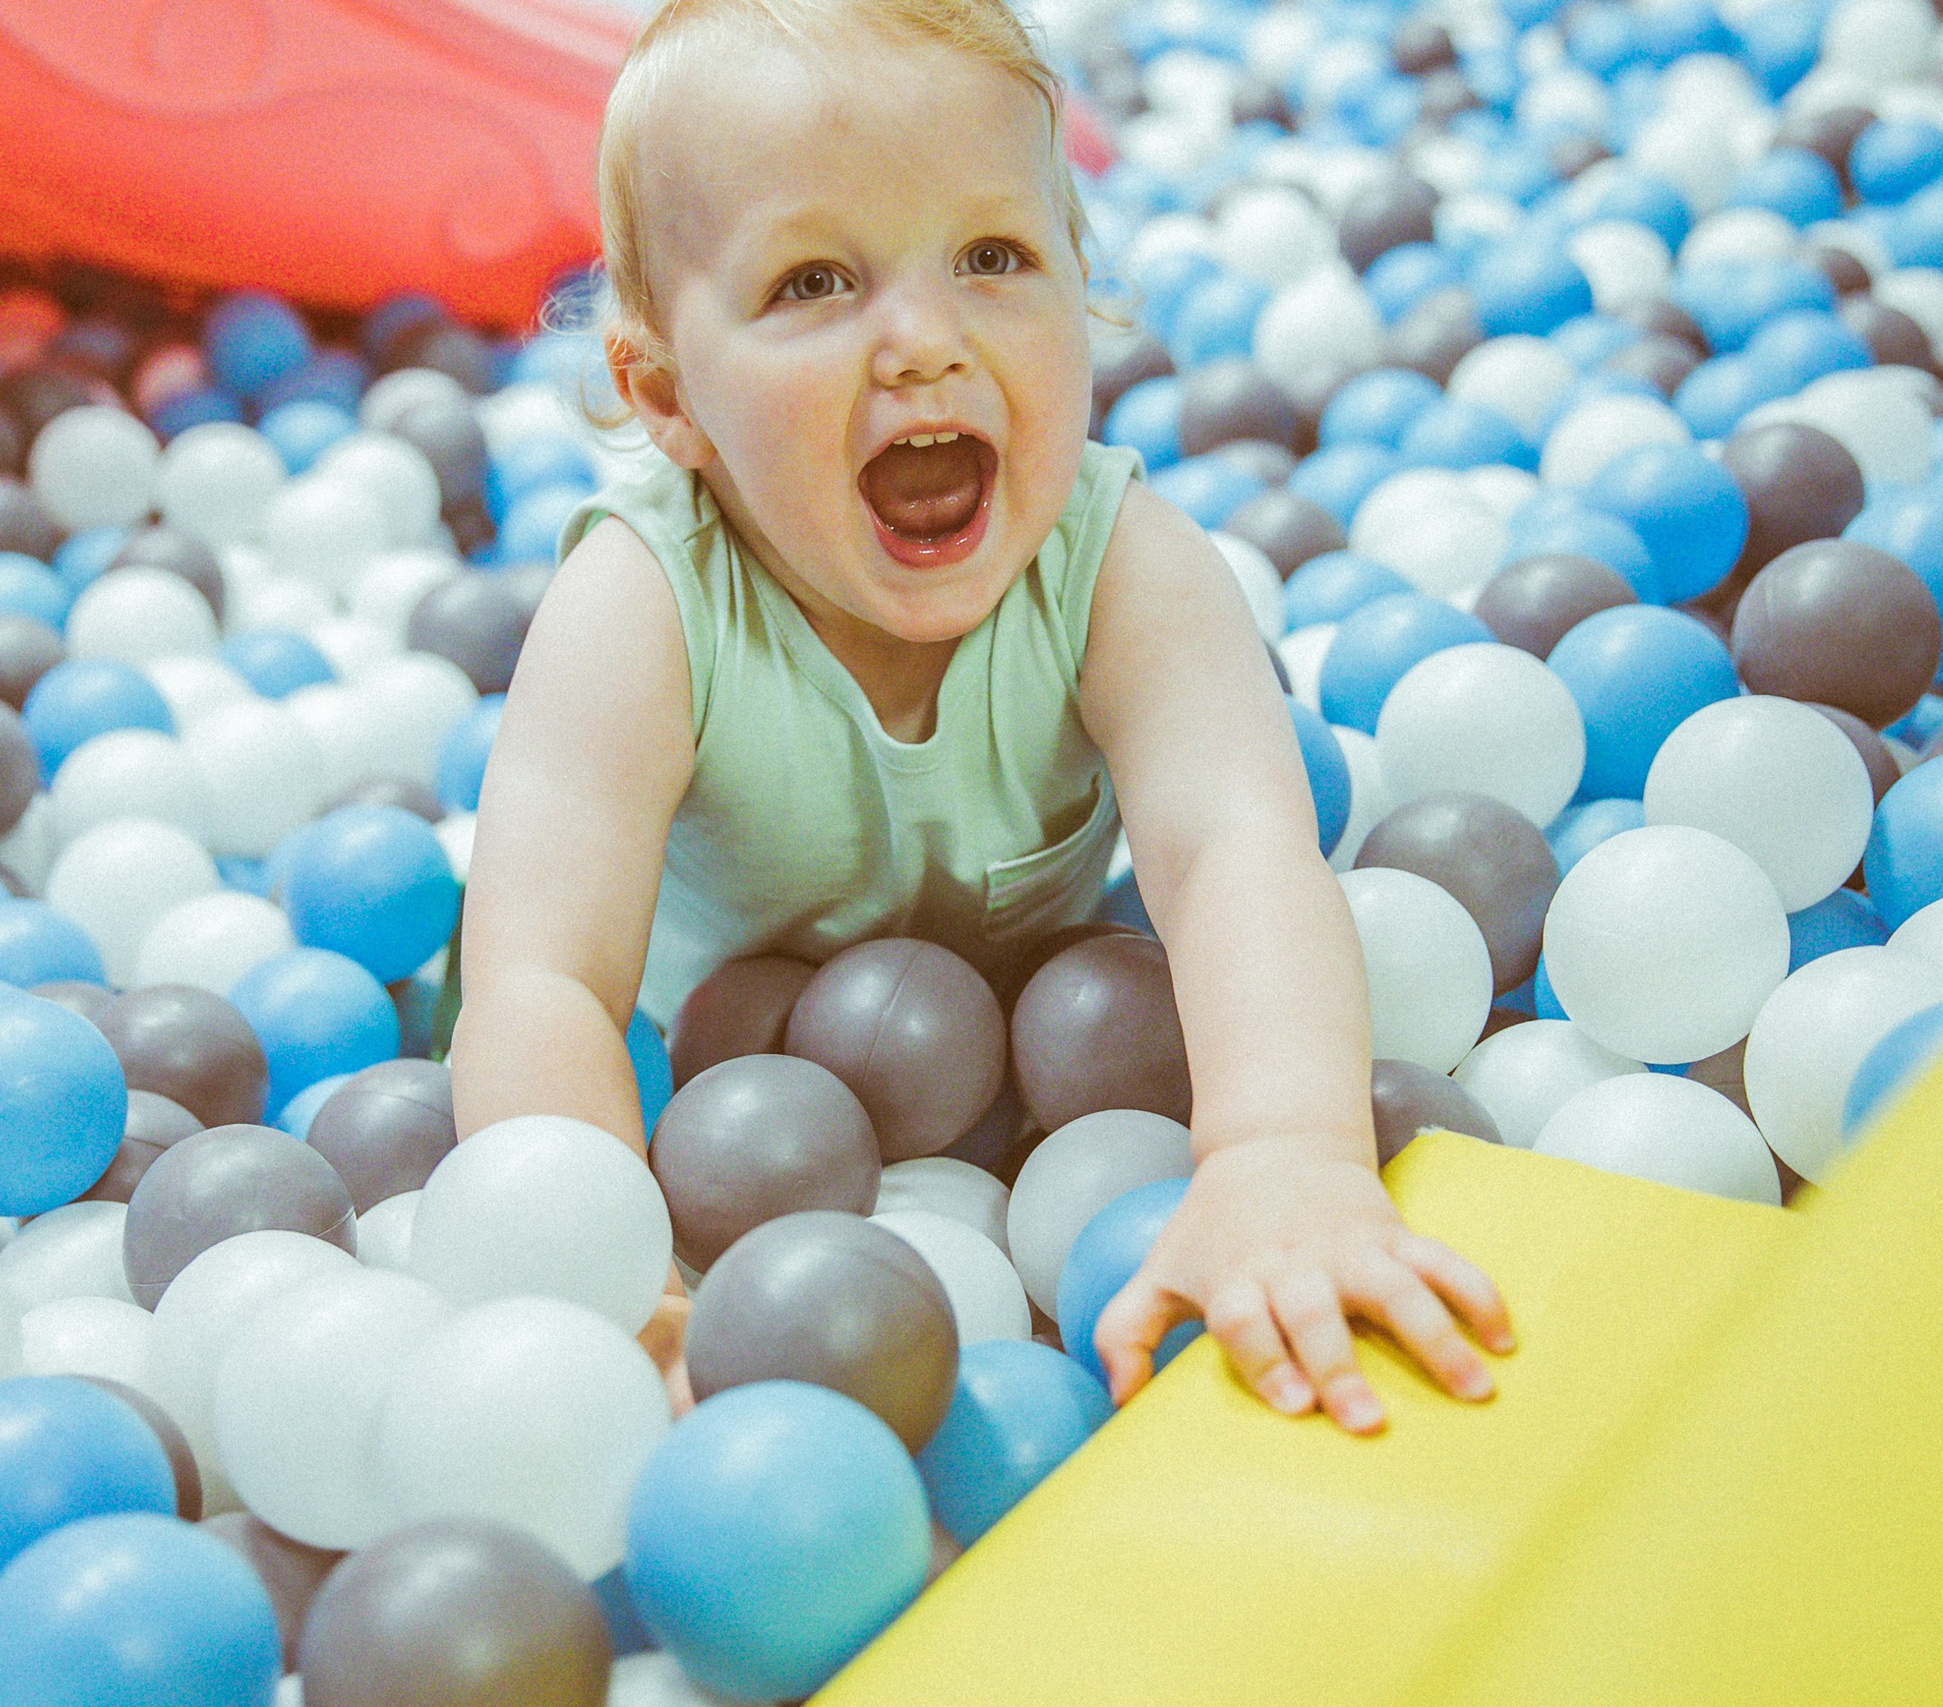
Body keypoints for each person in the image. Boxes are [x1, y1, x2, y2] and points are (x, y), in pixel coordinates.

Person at [451, 0, 1513, 1434]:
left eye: (995, 256)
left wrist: (1282, 1147)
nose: (924, 341)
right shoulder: (642, 608)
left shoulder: (1119, 563)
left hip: (1061, 1040)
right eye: (816, 281)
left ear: (1086, 284)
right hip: (728, 1084)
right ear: (667, 392)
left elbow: (1232, 851)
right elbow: (541, 981)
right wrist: (602, 1283)